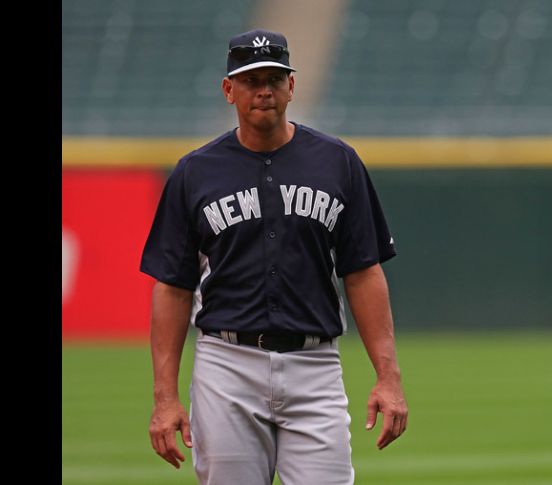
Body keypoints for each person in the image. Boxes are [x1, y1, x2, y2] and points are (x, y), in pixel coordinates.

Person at [140, 28, 408, 484]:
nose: (264, 89)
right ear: (229, 90)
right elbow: (173, 286)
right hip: (227, 365)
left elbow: (363, 271)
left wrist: (388, 376)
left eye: (274, 78)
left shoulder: (337, 161)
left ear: (292, 86)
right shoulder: (195, 172)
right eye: (250, 79)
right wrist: (165, 398)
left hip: (314, 365)